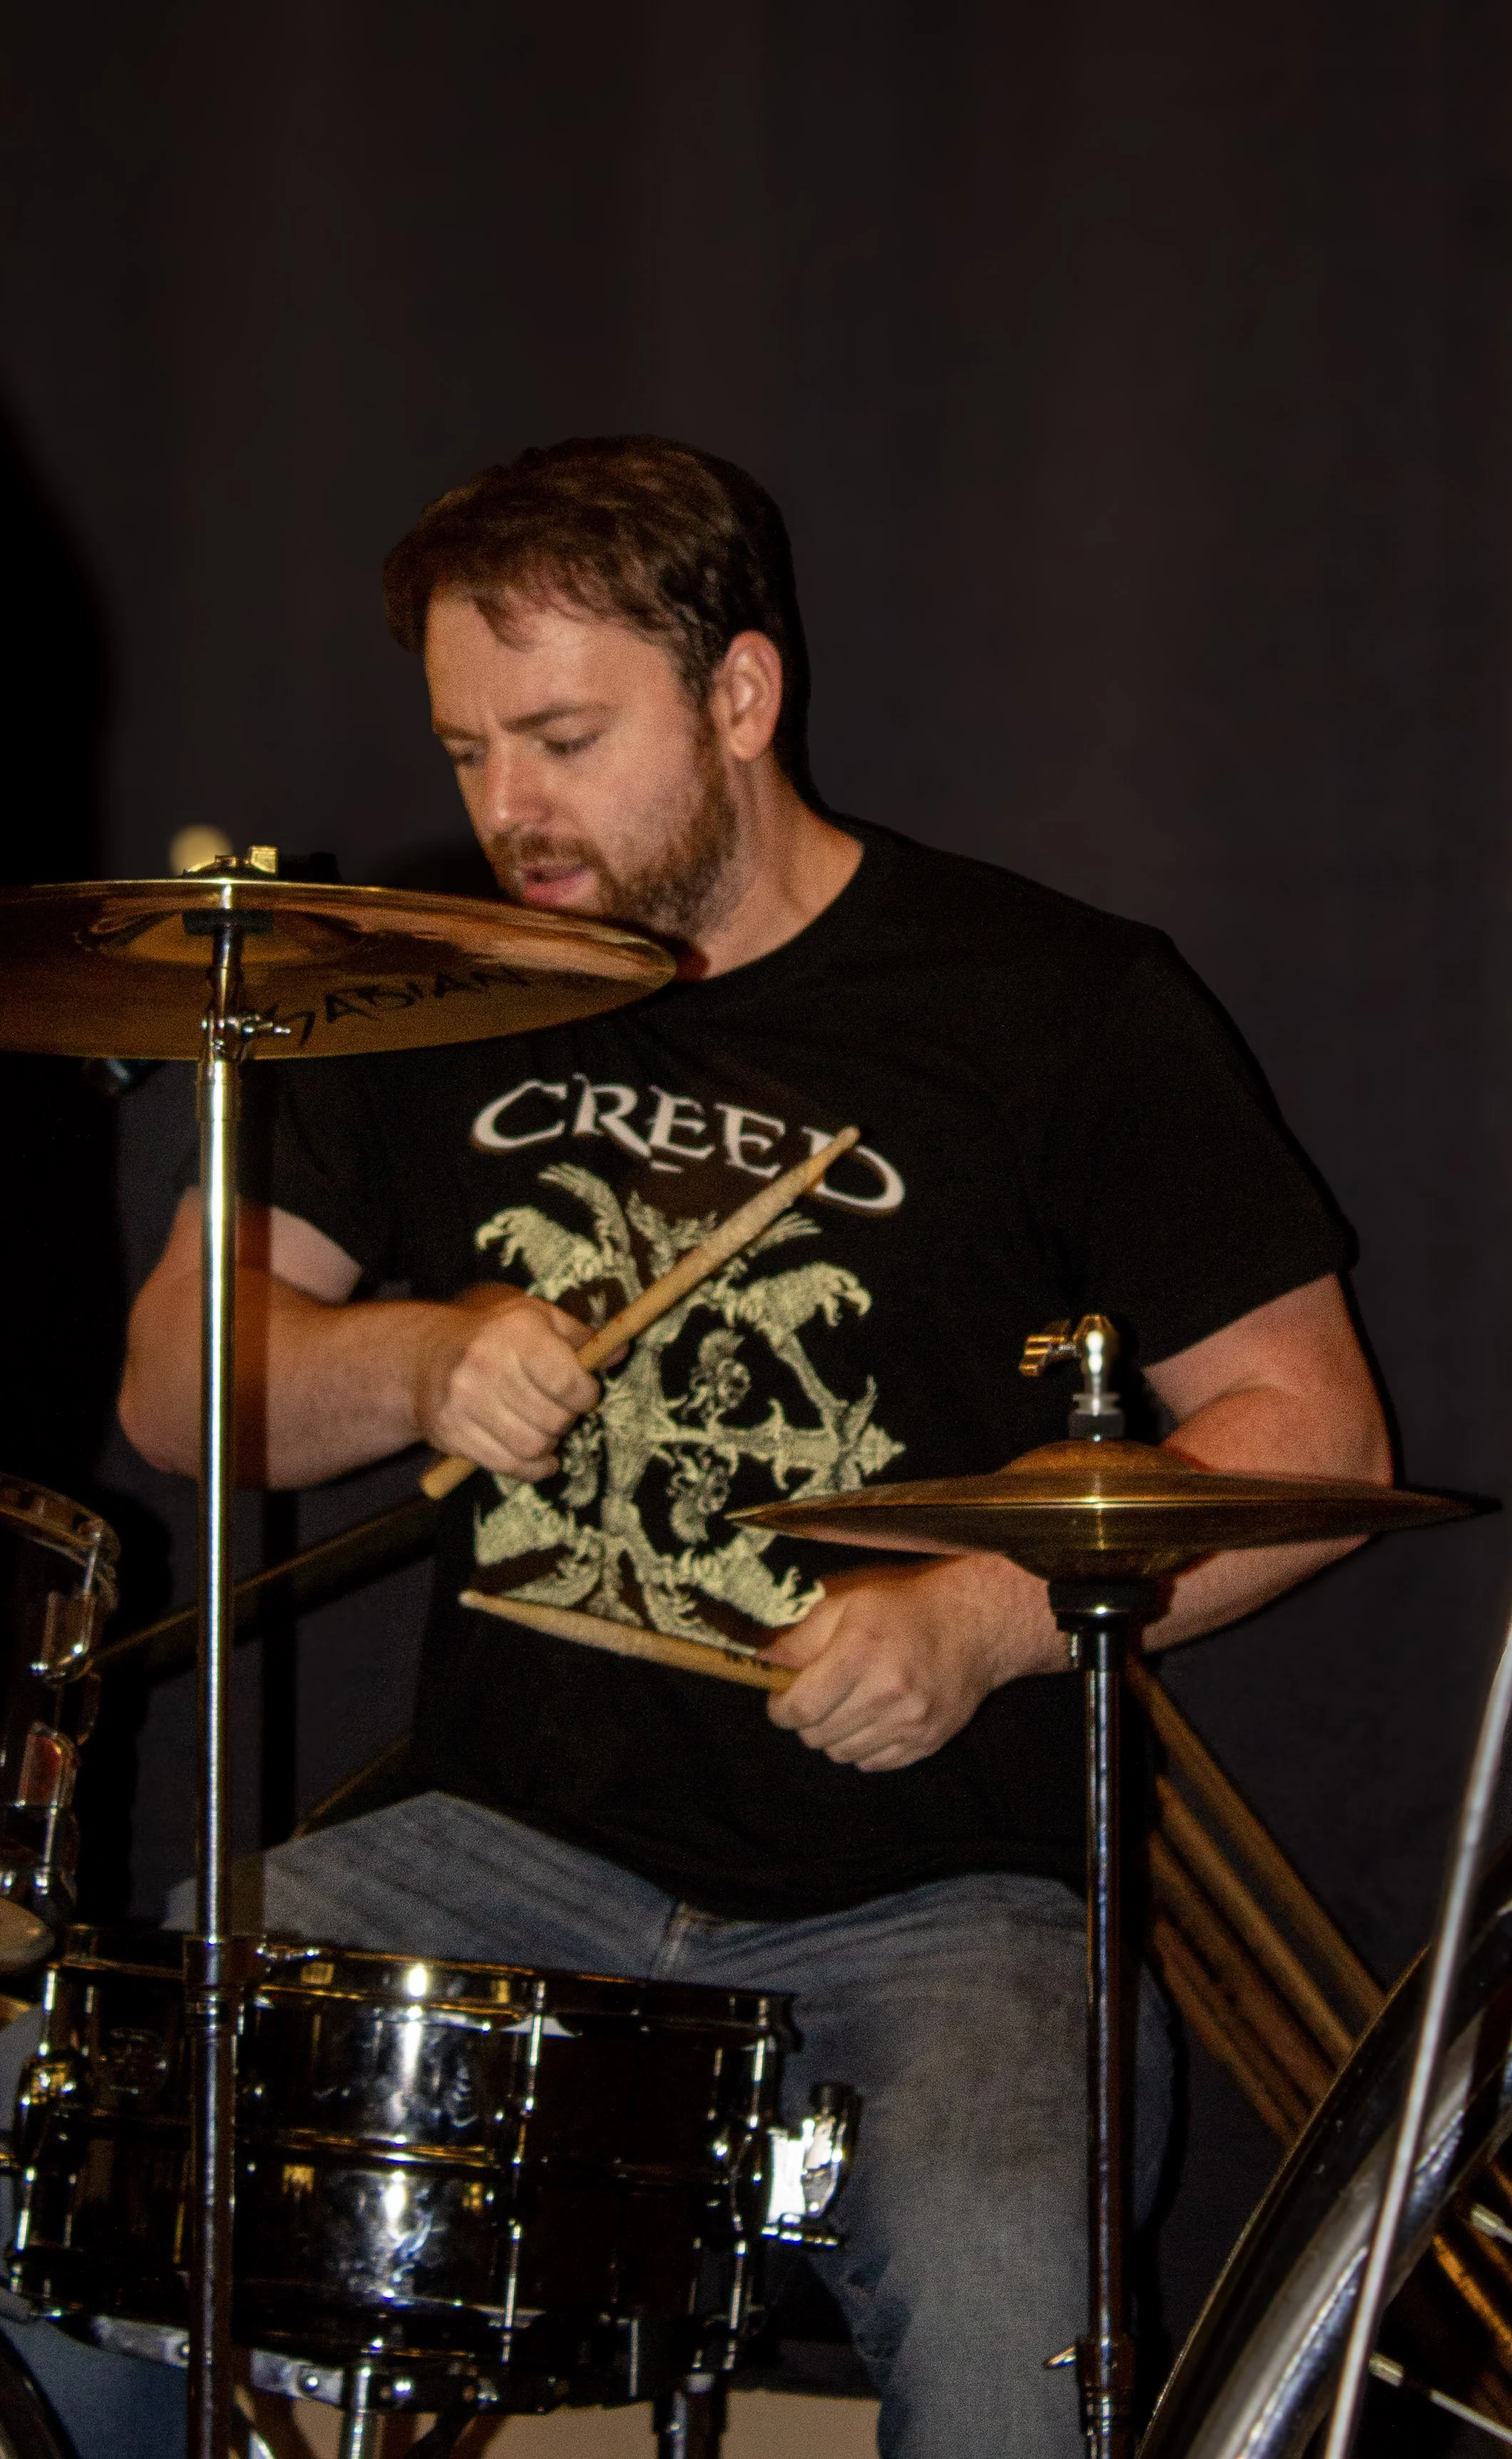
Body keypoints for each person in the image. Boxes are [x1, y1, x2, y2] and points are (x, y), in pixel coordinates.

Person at [120, 436, 1390, 2459]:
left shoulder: (1057, 1002)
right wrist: (417, 1359)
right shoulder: (431, 985)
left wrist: (982, 1621)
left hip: (947, 1895)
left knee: (1005, 2292)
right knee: (103, 2130)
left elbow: (1310, 1433)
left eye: (561, 738)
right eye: (466, 751)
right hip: (497, 1844)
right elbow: (182, 1383)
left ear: (741, 694)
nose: (510, 813)